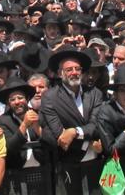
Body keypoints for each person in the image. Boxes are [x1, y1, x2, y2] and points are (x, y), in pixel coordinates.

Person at [40, 48, 103, 194]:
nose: (74, 72)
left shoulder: (94, 93)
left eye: (77, 69)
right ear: (60, 73)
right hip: (69, 166)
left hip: (96, 162)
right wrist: (89, 142)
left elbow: (97, 125)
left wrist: (75, 132)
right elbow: (59, 136)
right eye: (69, 69)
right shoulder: (50, 97)